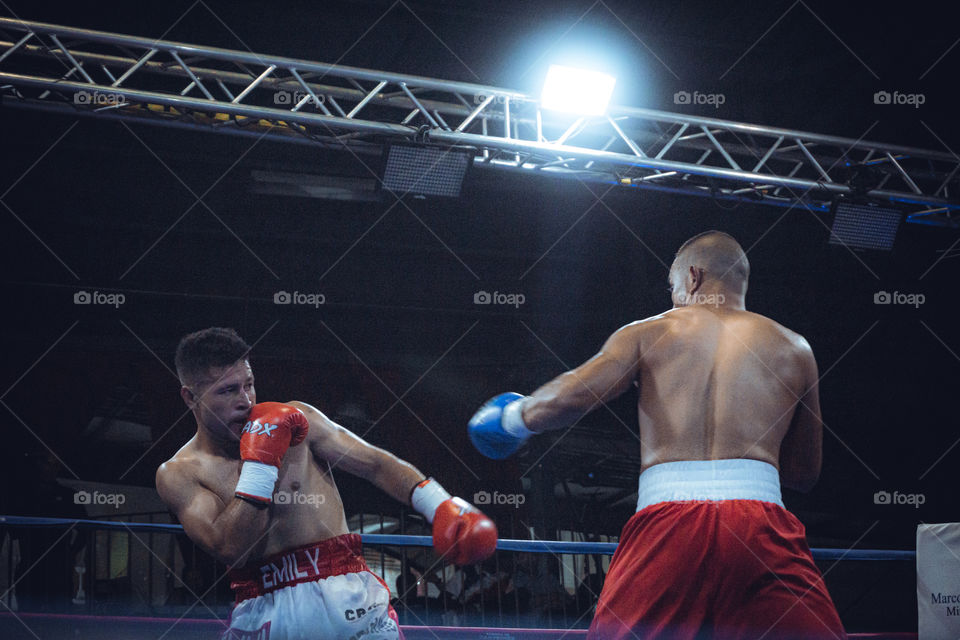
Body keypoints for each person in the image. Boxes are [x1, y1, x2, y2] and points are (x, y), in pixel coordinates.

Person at [468, 231, 847, 639]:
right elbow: (804, 473)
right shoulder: (795, 348)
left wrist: (512, 418)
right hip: (761, 530)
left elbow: (572, 396)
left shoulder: (649, 332)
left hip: (668, 525)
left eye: (673, 287)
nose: (674, 299)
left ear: (694, 277)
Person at [156, 327, 497, 640]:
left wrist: (438, 504)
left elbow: (376, 464)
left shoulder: (299, 420)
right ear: (190, 397)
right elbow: (232, 548)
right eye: (228, 390)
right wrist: (260, 466)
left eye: (249, 384)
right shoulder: (179, 474)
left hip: (345, 590)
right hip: (262, 604)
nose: (245, 400)